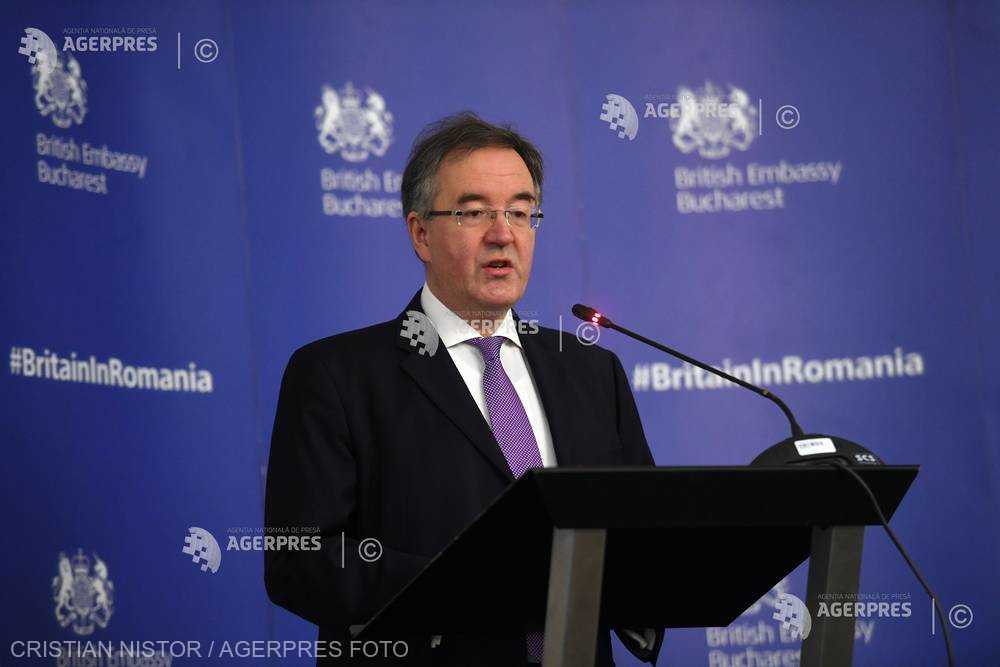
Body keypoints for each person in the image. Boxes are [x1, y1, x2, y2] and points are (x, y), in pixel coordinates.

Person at [265, 112, 664, 666]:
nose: (503, 234)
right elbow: (300, 561)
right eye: (474, 212)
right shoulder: (337, 376)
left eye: (520, 212)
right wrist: (476, 583)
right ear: (420, 234)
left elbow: (640, 534)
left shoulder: (593, 372)